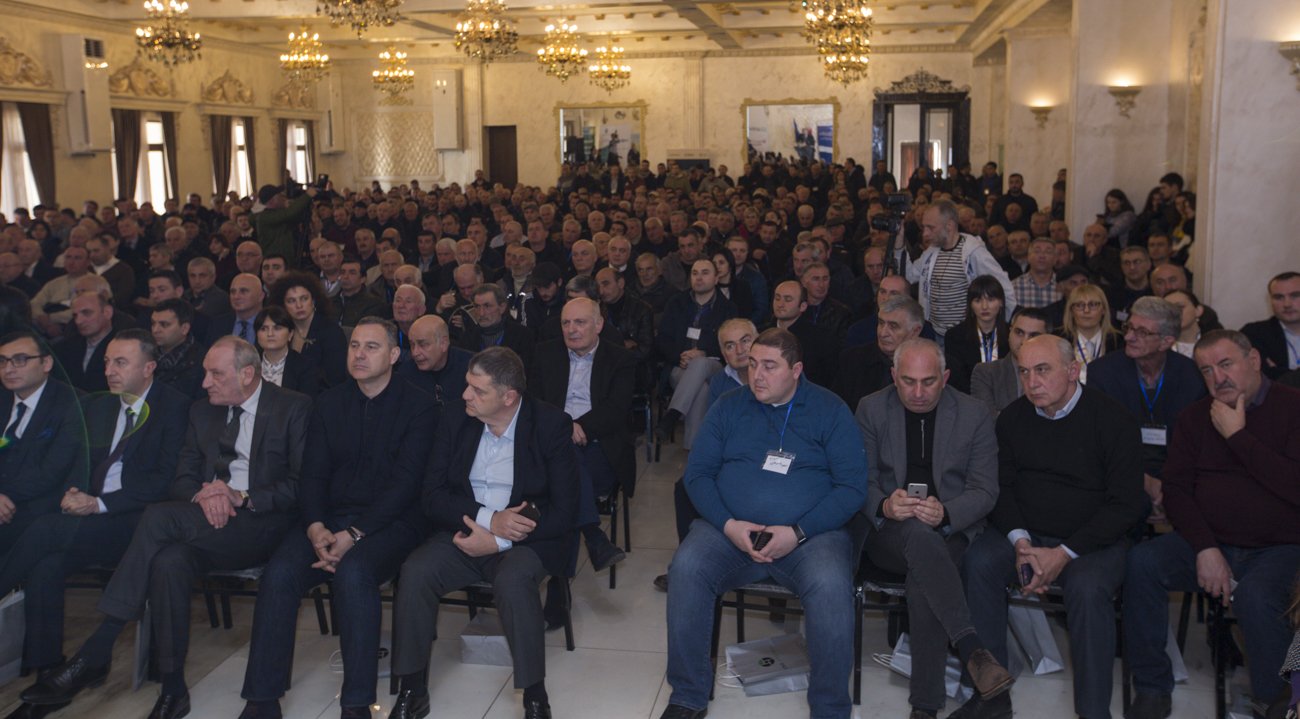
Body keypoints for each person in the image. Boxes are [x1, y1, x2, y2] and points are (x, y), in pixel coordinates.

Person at [21, 338, 311, 719]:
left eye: (215, 374)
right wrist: (205, 495)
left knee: (157, 517)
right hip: (203, 522)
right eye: (205, 372)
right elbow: (182, 481)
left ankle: (96, 651)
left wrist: (239, 496)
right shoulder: (202, 411)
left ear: (247, 374)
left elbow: (301, 485)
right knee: (168, 563)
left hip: (261, 525)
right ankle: (173, 690)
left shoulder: (293, 407)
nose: (204, 382)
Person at [661, 328, 868, 719]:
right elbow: (698, 474)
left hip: (810, 537)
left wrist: (798, 532)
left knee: (830, 585)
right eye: (753, 364)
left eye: (769, 366)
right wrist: (728, 525)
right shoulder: (728, 405)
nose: (756, 375)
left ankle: (829, 708)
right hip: (730, 532)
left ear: (796, 370)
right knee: (686, 568)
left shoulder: (830, 409)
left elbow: (853, 488)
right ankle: (688, 695)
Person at [239, 319, 438, 719]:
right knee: (279, 573)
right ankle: (262, 699)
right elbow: (312, 475)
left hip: (392, 522)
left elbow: (406, 486)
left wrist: (354, 534)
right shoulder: (328, 402)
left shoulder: (420, 406)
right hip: (329, 519)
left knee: (354, 572)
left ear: (394, 355)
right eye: (354, 346)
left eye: (371, 347)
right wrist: (315, 527)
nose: (359, 354)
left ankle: (357, 704)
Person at [0, 330, 187, 719]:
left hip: (137, 520)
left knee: (46, 529)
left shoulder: (175, 407)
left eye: (121, 362)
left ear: (149, 367)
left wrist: (99, 503)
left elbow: (166, 481)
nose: (109, 371)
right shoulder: (101, 406)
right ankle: (50, 672)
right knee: (46, 564)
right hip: (94, 517)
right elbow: (80, 464)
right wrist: (75, 492)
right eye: (106, 362)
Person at [957, 335, 1144, 719]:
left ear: (1073, 371)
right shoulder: (1012, 418)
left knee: (1088, 588)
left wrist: (1064, 553)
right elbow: (1002, 488)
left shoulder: (1114, 419)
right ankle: (992, 696)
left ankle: (1093, 712)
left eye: (1042, 370)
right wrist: (1021, 543)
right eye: (1024, 372)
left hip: (1093, 541)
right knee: (978, 563)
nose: (1032, 382)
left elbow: (1126, 505)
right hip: (1027, 535)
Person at [389, 347, 578, 719]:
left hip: (525, 540)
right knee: (415, 572)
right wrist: (489, 520)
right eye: (467, 385)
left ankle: (535, 696)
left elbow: (564, 510)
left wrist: (500, 538)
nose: (465, 395)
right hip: (464, 530)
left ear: (509, 397)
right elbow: (432, 495)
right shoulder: (455, 417)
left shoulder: (550, 424)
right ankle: (412, 689)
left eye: (478, 390)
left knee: (514, 579)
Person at [1120, 330, 1300, 719]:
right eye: (1206, 370)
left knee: (1256, 597)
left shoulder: (1293, 407)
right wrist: (1205, 547)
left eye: (1226, 364)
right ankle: (1152, 687)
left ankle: (1277, 704)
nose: (1218, 378)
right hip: (1210, 541)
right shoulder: (1194, 417)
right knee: (1142, 562)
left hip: (1281, 547)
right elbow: (1176, 491)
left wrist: (1238, 437)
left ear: (1254, 360)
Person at [856, 338, 1014, 719]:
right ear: (893, 376)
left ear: (945, 378)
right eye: (908, 381)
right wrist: (884, 504)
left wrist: (945, 513)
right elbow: (857, 480)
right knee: (917, 537)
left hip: (950, 529)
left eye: (928, 382)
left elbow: (985, 490)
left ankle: (925, 708)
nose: (918, 392)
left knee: (924, 575)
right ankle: (973, 650)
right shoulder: (871, 408)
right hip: (889, 531)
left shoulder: (974, 413)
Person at [530, 298, 635, 572]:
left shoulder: (620, 358)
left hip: (599, 448)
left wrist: (578, 427)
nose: (571, 329)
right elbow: (533, 402)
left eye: (579, 322)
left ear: (598, 324)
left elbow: (616, 409)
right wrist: (563, 428)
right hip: (551, 445)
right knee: (566, 467)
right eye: (565, 323)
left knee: (561, 486)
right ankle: (593, 535)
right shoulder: (545, 353)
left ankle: (559, 582)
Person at [1087, 297, 1206, 525]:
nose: (1129, 337)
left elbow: (1197, 445)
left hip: (1176, 471)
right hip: (1122, 471)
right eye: (1129, 327)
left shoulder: (1191, 375)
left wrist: (1170, 489)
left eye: (1141, 332)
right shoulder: (1103, 373)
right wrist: (1148, 484)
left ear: (1166, 342)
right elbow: (1099, 444)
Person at [0, 331, 88, 557]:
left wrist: (3, 495)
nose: (8, 369)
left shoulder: (73, 404)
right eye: (3, 361)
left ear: (46, 363)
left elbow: (51, 471)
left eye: (20, 360)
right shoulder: (2, 398)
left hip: (35, 505)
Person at [895, 198, 1015, 342]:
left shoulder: (973, 252)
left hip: (964, 337)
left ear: (950, 225)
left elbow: (1004, 290)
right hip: (934, 333)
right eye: (924, 227)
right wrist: (899, 240)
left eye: (930, 227)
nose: (925, 233)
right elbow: (907, 276)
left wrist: (998, 330)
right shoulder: (931, 253)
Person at [653, 259, 738, 449]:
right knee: (700, 392)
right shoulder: (677, 302)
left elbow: (732, 344)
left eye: (705, 273)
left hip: (714, 367)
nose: (699, 277)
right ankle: (694, 454)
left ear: (716, 279)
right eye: (695, 273)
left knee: (700, 362)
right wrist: (679, 356)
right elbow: (662, 339)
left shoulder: (728, 308)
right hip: (680, 367)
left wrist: (703, 352)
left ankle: (673, 415)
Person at [833, 295, 924, 410]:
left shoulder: (930, 365)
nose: (883, 333)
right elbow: (837, 408)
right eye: (881, 323)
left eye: (893, 326)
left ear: (915, 332)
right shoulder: (852, 360)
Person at [270, 272, 349, 387]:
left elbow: (334, 381)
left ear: (313, 301)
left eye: (304, 299)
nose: (299, 305)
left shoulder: (331, 333)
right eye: (291, 301)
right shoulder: (282, 332)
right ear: (283, 306)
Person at [970, 307, 1051, 414]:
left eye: (1033, 335)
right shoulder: (986, 372)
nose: (1024, 341)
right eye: (1019, 333)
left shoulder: (1057, 373)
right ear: (1009, 333)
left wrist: (1004, 415)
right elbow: (987, 420)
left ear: (1048, 340)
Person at [944, 276, 1011, 394]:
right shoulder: (955, 336)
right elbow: (958, 378)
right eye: (978, 300)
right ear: (970, 304)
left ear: (1001, 302)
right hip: (968, 397)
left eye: (990, 299)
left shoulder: (1011, 334)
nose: (984, 306)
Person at [766, 280, 839, 387]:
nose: (780, 304)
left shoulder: (821, 337)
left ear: (803, 306)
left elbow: (830, 378)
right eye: (777, 298)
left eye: (788, 299)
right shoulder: (761, 334)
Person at [459, 283, 537, 369]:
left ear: (502, 307)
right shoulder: (467, 337)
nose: (481, 313)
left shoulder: (522, 335)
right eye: (477, 306)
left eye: (487, 306)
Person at [254, 305, 325, 398]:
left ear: (290, 334)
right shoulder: (248, 363)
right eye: (264, 328)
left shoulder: (306, 367)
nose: (270, 334)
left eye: (277, 328)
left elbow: (305, 403)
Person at [54, 292, 118, 394]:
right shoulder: (63, 348)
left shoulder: (124, 347)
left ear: (107, 312)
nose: (78, 321)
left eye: (86, 313)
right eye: (75, 315)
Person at [1241, 271, 1300, 380]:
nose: (1287, 304)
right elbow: (1260, 378)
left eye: (1295, 295)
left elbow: (1274, 376)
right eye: (1279, 297)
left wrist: (1279, 371)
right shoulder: (1254, 334)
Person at [1059, 283, 1123, 384]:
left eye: (1093, 304)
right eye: (1080, 305)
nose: (1086, 310)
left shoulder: (1120, 341)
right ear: (1071, 310)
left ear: (1104, 309)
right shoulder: (1058, 339)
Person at [151, 298, 206, 398]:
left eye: (164, 324)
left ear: (184, 328)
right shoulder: (145, 353)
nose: (155, 330)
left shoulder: (202, 362)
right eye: (153, 323)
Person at [254, 183, 319, 263]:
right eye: (279, 198)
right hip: (274, 260)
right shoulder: (264, 217)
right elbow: (288, 213)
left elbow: (294, 218)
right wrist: (307, 196)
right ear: (271, 202)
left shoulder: (277, 216)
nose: (283, 199)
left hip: (285, 259)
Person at [332, 257, 390, 327]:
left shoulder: (373, 304)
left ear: (362, 279)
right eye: (343, 272)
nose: (345, 277)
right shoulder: (330, 302)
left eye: (352, 273)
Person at [1009, 238, 1057, 309]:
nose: (1042, 256)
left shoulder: (1063, 286)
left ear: (1055, 259)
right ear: (1028, 257)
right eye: (1037, 252)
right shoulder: (1013, 287)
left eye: (1048, 252)